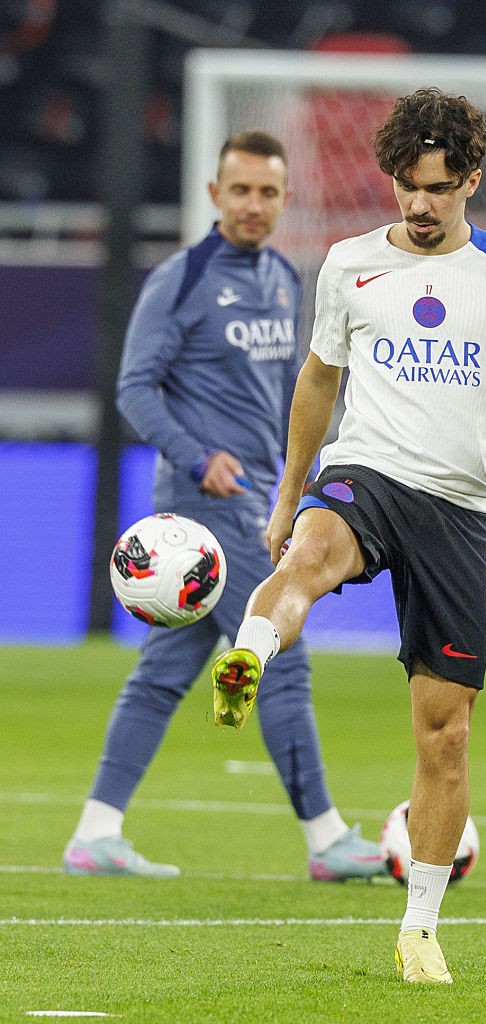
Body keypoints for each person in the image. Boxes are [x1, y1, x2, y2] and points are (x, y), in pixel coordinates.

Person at [210, 88, 486, 981]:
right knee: (309, 554)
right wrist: (289, 492)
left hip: (458, 510)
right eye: (405, 186)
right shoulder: (349, 265)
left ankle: (420, 928)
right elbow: (318, 383)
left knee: (445, 734)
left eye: (438, 188)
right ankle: (246, 655)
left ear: (470, 179)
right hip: (366, 474)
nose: (419, 206)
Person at [63, 130, 384, 883]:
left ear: (284, 199)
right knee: (284, 653)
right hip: (201, 514)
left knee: (165, 672)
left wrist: (295, 477)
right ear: (214, 195)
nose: (253, 204)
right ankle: (327, 839)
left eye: (267, 192)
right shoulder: (181, 278)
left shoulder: (279, 274)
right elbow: (134, 388)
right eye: (239, 190)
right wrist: (197, 457)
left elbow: (282, 396)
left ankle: (96, 831)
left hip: (260, 502)